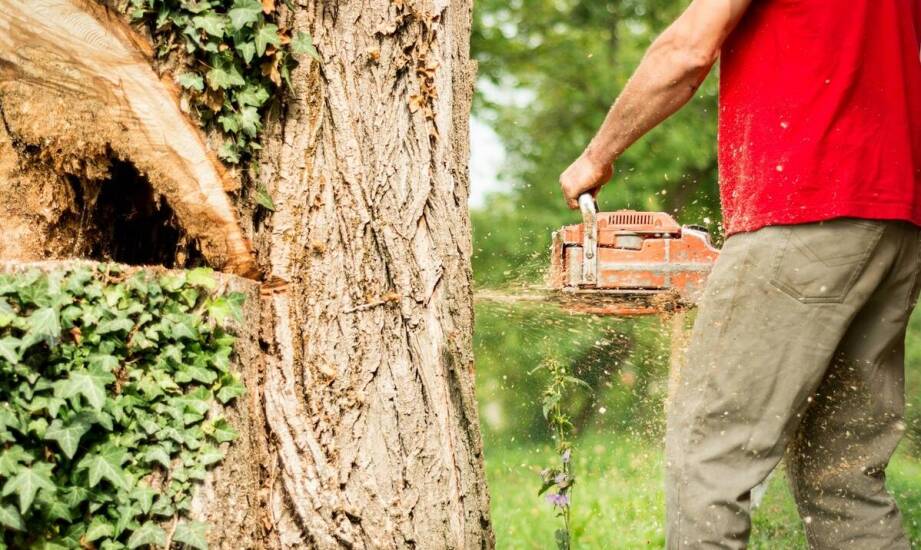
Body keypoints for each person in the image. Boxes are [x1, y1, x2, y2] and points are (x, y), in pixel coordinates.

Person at [559, 0, 921, 548]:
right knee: (843, 481)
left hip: (804, 203)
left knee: (710, 454)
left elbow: (687, 50)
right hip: (897, 220)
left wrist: (597, 155)